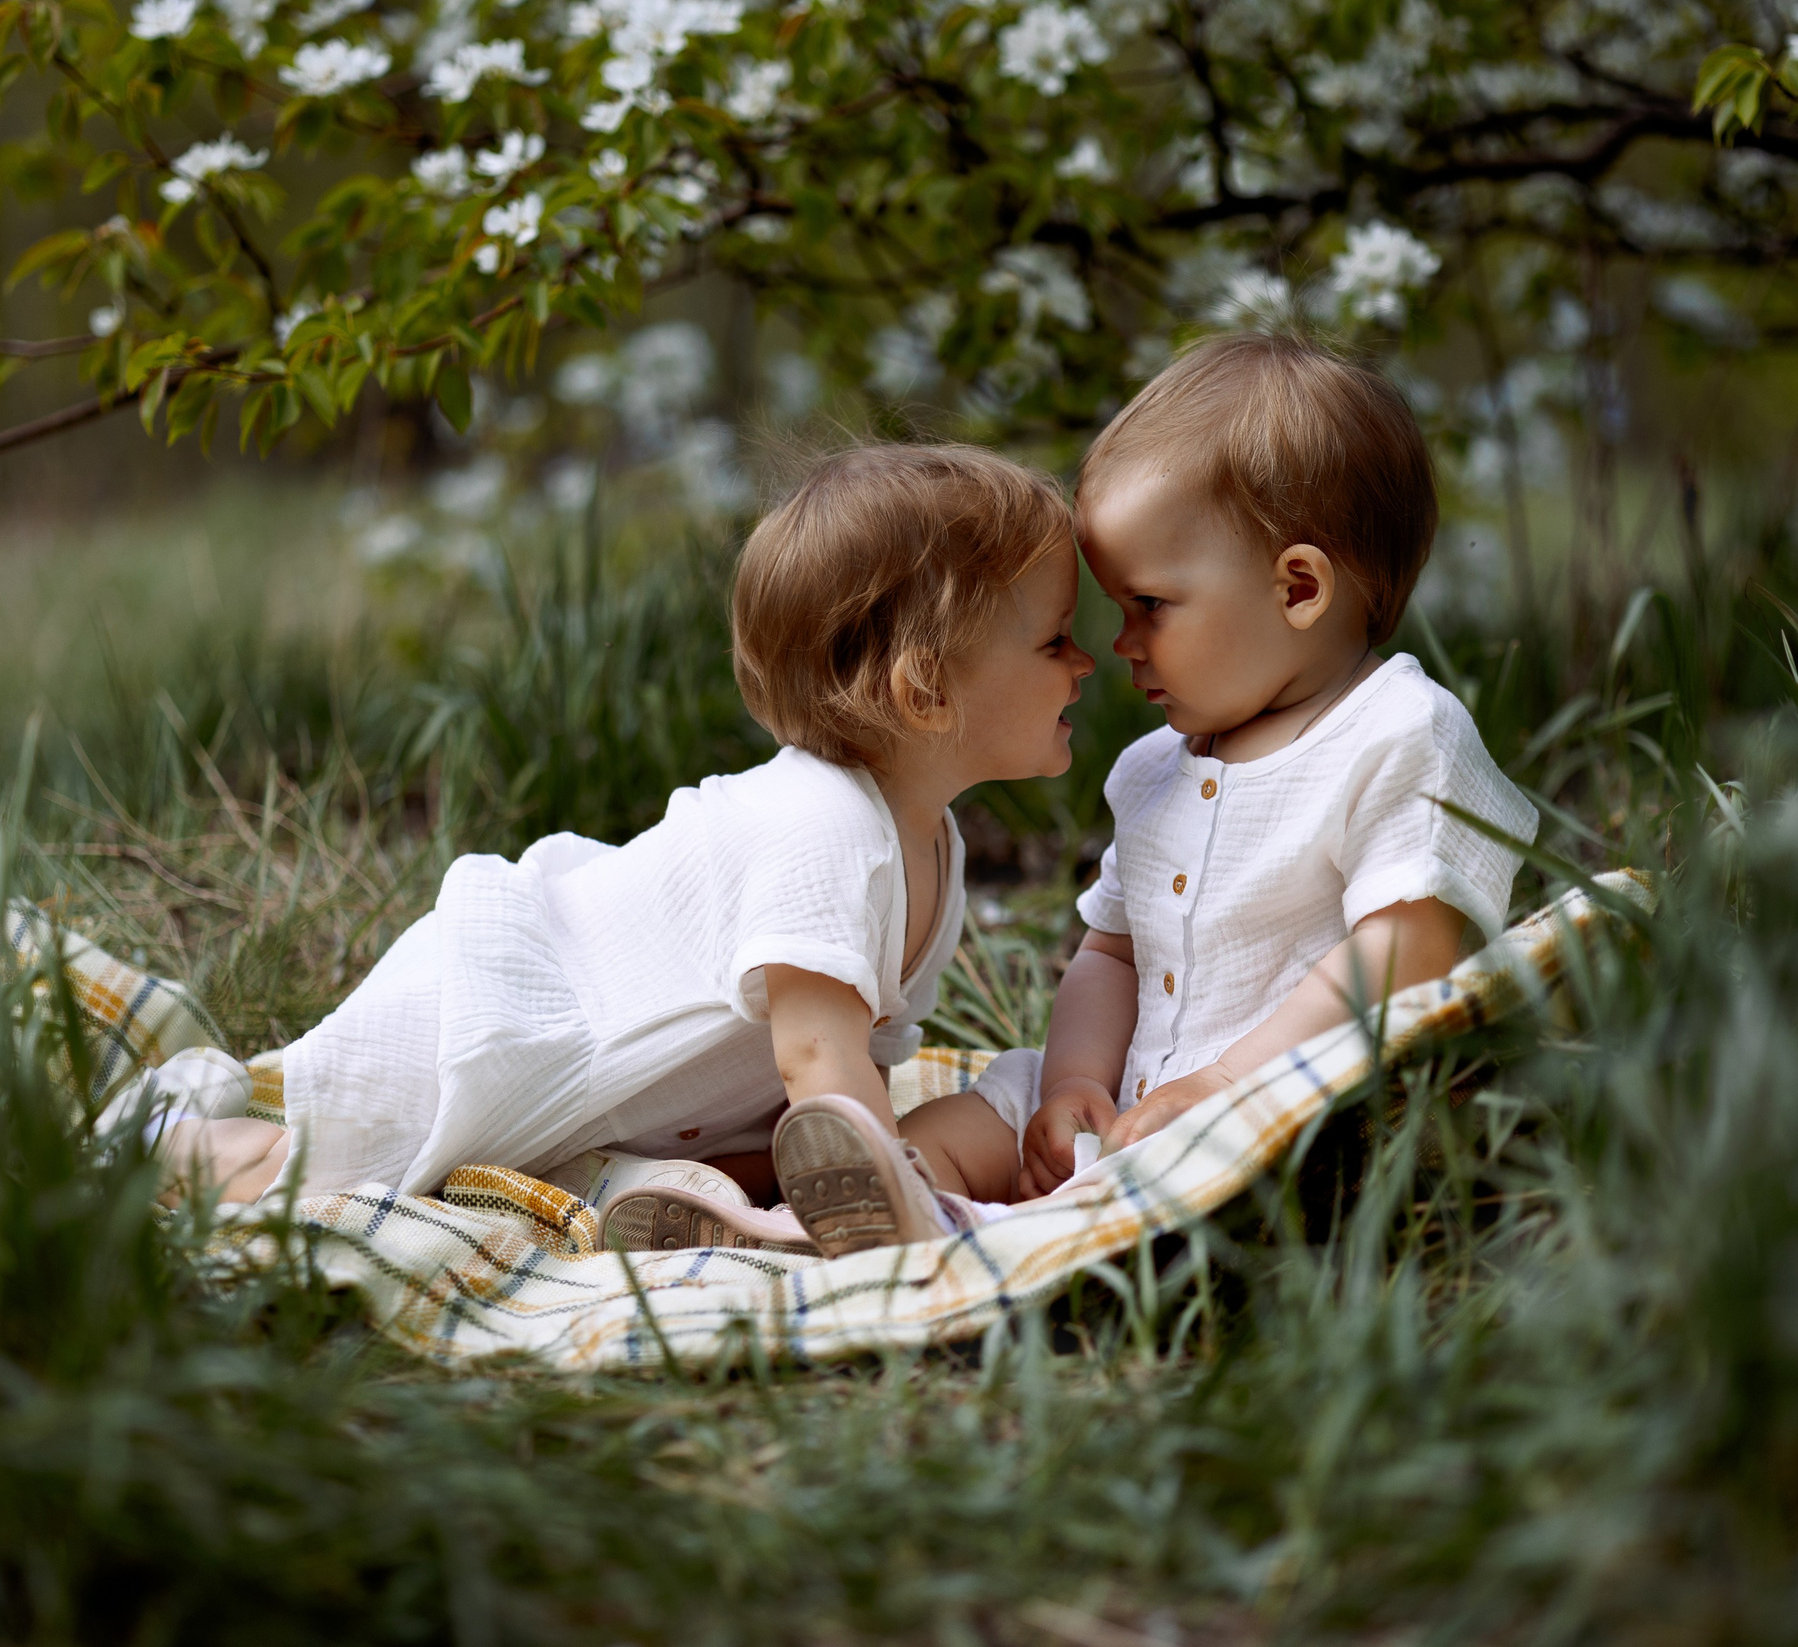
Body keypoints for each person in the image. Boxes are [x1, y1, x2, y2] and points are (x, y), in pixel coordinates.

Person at [145, 444, 1096, 1258]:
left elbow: (856, 1076)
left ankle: (686, 1202)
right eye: (1056, 641)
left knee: (779, 1151)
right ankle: (166, 1143)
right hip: (500, 1016)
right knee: (312, 1170)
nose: (1085, 662)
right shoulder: (828, 826)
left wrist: (846, 1165)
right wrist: (908, 1218)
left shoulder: (934, 842)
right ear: (926, 690)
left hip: (624, 1088)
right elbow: (818, 1055)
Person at [824, 332, 1539, 1229]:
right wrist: (1078, 1081)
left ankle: (951, 1222)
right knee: (1001, 1099)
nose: (1121, 642)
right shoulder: (1156, 771)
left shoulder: (1399, 734)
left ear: (1298, 588)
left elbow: (1409, 952)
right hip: (1136, 1107)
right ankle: (876, 1193)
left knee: (1174, 1172)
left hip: (1285, 1115)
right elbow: (1111, 952)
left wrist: (1229, 1085)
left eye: (1149, 606)